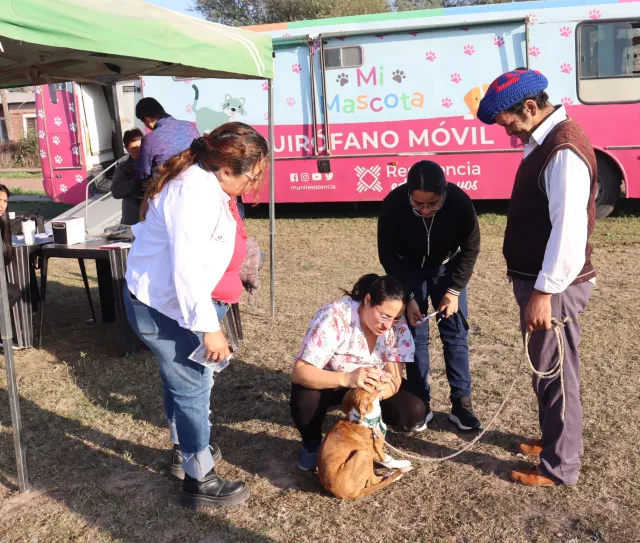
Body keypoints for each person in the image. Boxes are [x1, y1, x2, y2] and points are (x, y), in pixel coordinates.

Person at [124, 122, 267, 508]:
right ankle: (199, 479)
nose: (253, 183)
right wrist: (208, 329)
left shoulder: (207, 183)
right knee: (192, 385)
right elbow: (186, 268)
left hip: (177, 304)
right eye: (251, 176)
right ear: (226, 169)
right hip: (167, 307)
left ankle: (183, 451)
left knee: (181, 382)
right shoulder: (192, 194)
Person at [476, 68, 597, 487]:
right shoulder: (543, 141)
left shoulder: (562, 149)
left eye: (508, 122)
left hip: (554, 288)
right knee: (546, 370)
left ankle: (560, 466)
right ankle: (552, 441)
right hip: (541, 283)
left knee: (557, 374)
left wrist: (544, 292)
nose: (507, 132)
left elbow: (568, 232)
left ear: (530, 107)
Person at [377, 160, 482, 432]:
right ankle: (421, 401)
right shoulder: (393, 204)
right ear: (408, 193)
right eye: (418, 204)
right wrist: (409, 296)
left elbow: (471, 248)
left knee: (455, 334)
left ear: (444, 193)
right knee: (415, 335)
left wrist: (454, 290)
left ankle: (462, 404)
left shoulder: (460, 203)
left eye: (433, 204)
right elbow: (387, 254)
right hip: (408, 269)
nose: (425, 210)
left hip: (447, 269)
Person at [290, 273, 427, 472]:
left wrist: (377, 395)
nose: (388, 325)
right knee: (305, 397)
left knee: (413, 410)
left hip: (368, 387)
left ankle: (369, 431)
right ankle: (311, 443)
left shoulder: (397, 325)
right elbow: (300, 372)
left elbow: (394, 378)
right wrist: (347, 379)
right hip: (331, 381)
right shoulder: (335, 317)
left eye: (395, 318)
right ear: (368, 300)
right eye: (384, 316)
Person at [134, 97, 200, 181]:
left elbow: (142, 174)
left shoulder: (150, 139)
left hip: (168, 186)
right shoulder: (190, 126)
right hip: (198, 181)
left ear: (147, 119)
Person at [110, 128, 145, 225]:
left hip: (152, 219)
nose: (139, 150)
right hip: (132, 220)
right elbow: (116, 192)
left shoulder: (156, 163)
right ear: (126, 149)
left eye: (141, 146)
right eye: (134, 148)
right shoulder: (123, 167)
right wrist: (137, 179)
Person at [0, 185, 22, 309]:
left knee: (14, 292)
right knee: (13, 293)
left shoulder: (3, 223)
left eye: (5, 201)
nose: (2, 205)